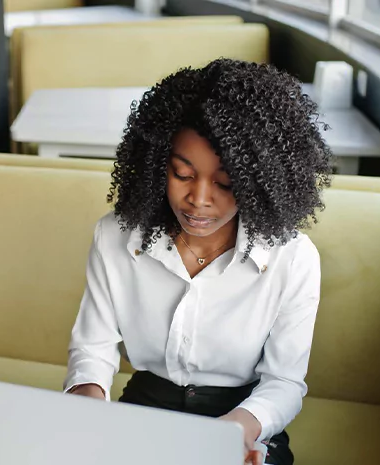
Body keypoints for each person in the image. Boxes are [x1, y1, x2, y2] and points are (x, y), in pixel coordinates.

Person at [62, 58, 333, 465]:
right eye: (182, 174)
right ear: (157, 167)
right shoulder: (116, 237)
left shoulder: (292, 259)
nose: (199, 200)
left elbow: (284, 383)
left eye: (225, 183)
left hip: (244, 418)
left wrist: (236, 431)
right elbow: (93, 347)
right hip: (145, 406)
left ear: (257, 181)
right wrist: (88, 403)